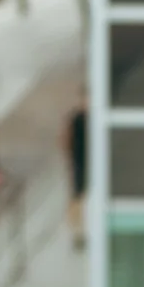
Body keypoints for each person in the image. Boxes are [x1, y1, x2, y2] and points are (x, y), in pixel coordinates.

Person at [62, 89, 87, 250]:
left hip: (90, 162)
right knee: (77, 199)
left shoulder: (96, 118)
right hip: (80, 161)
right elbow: (66, 140)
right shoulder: (77, 119)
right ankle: (78, 232)